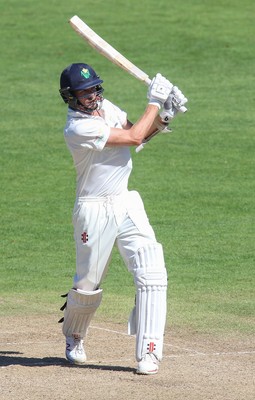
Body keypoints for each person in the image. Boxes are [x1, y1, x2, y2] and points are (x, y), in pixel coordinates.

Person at [59, 62, 185, 375]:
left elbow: (139, 136)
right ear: (70, 97)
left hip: (125, 201)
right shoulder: (77, 127)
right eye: (84, 91)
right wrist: (155, 102)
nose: (91, 95)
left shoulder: (108, 108)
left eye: (93, 88)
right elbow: (131, 138)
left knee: (152, 272)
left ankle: (150, 352)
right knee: (88, 283)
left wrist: (166, 114)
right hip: (93, 208)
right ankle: (75, 334)